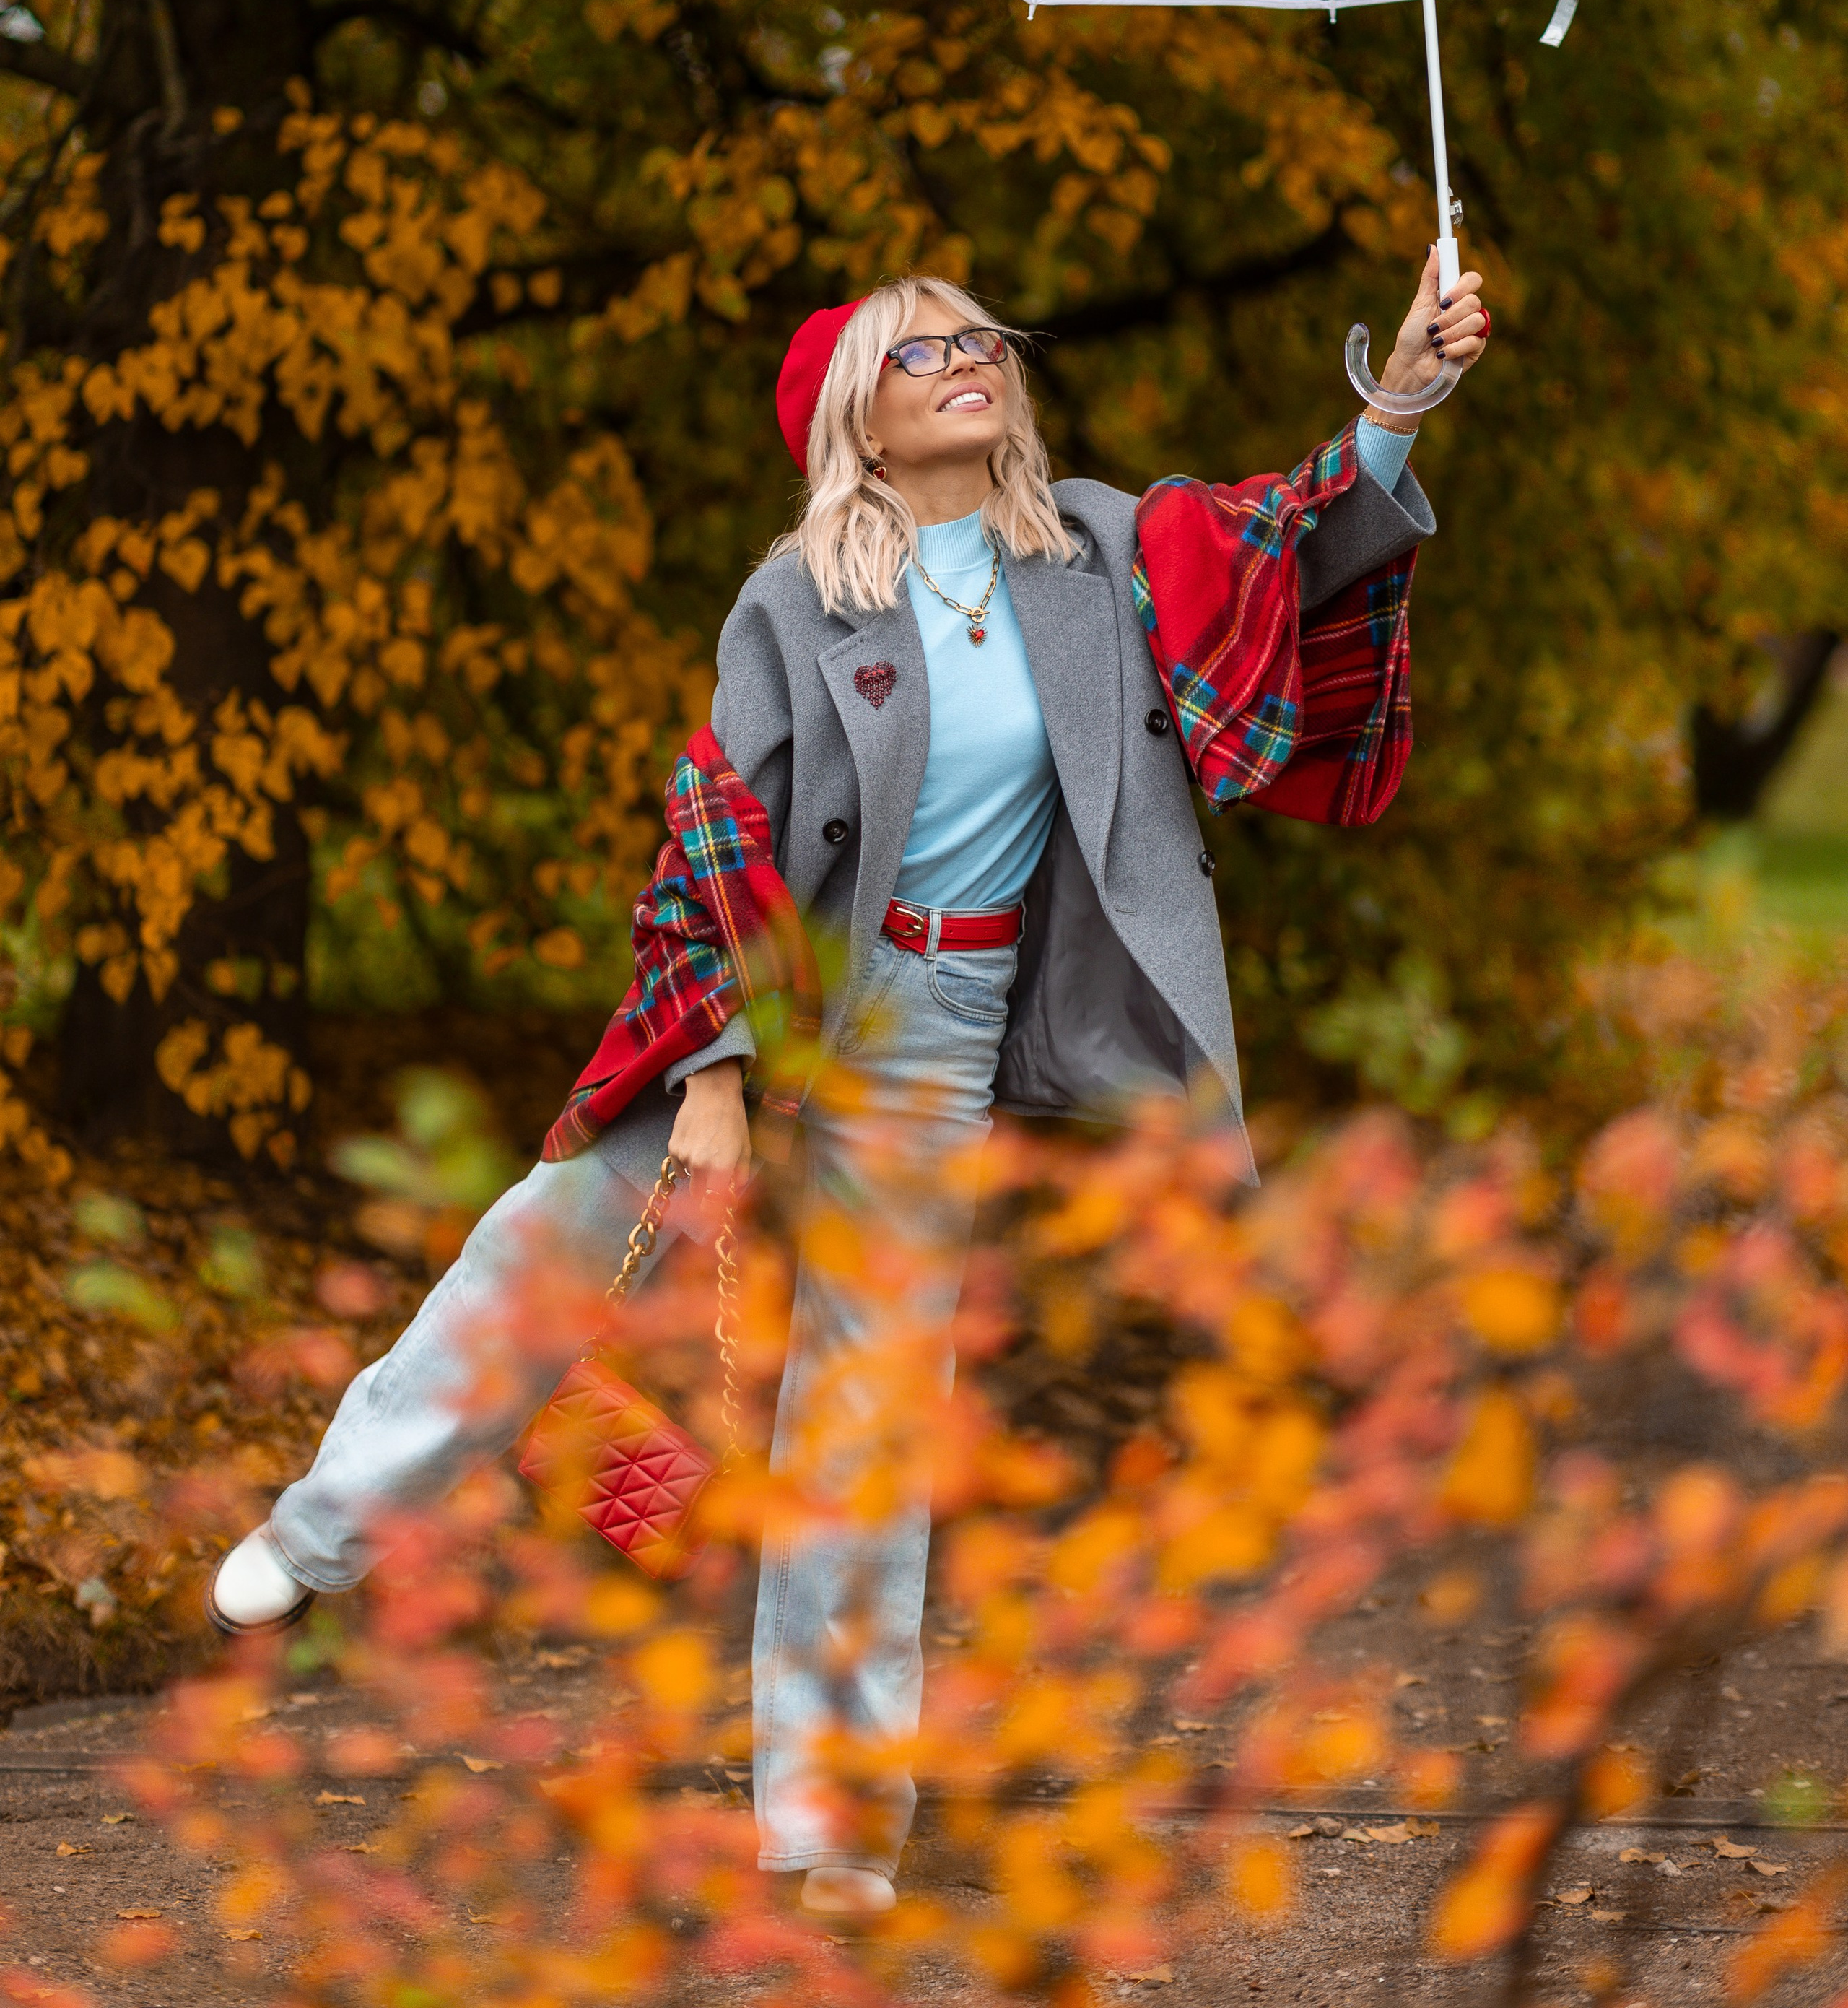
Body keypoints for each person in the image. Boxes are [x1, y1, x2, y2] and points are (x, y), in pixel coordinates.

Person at [208, 255, 1489, 1916]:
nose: (969, 362)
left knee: (867, 1423)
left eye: (978, 340)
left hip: (943, 1038)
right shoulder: (794, 599)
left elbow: (1289, 537)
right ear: (860, 427)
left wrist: (1395, 396)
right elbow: (714, 820)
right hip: (790, 1003)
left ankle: (825, 1824)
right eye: (921, 354)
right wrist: (721, 1075)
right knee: (534, 1253)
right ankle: (322, 1533)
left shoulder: (1094, 552)